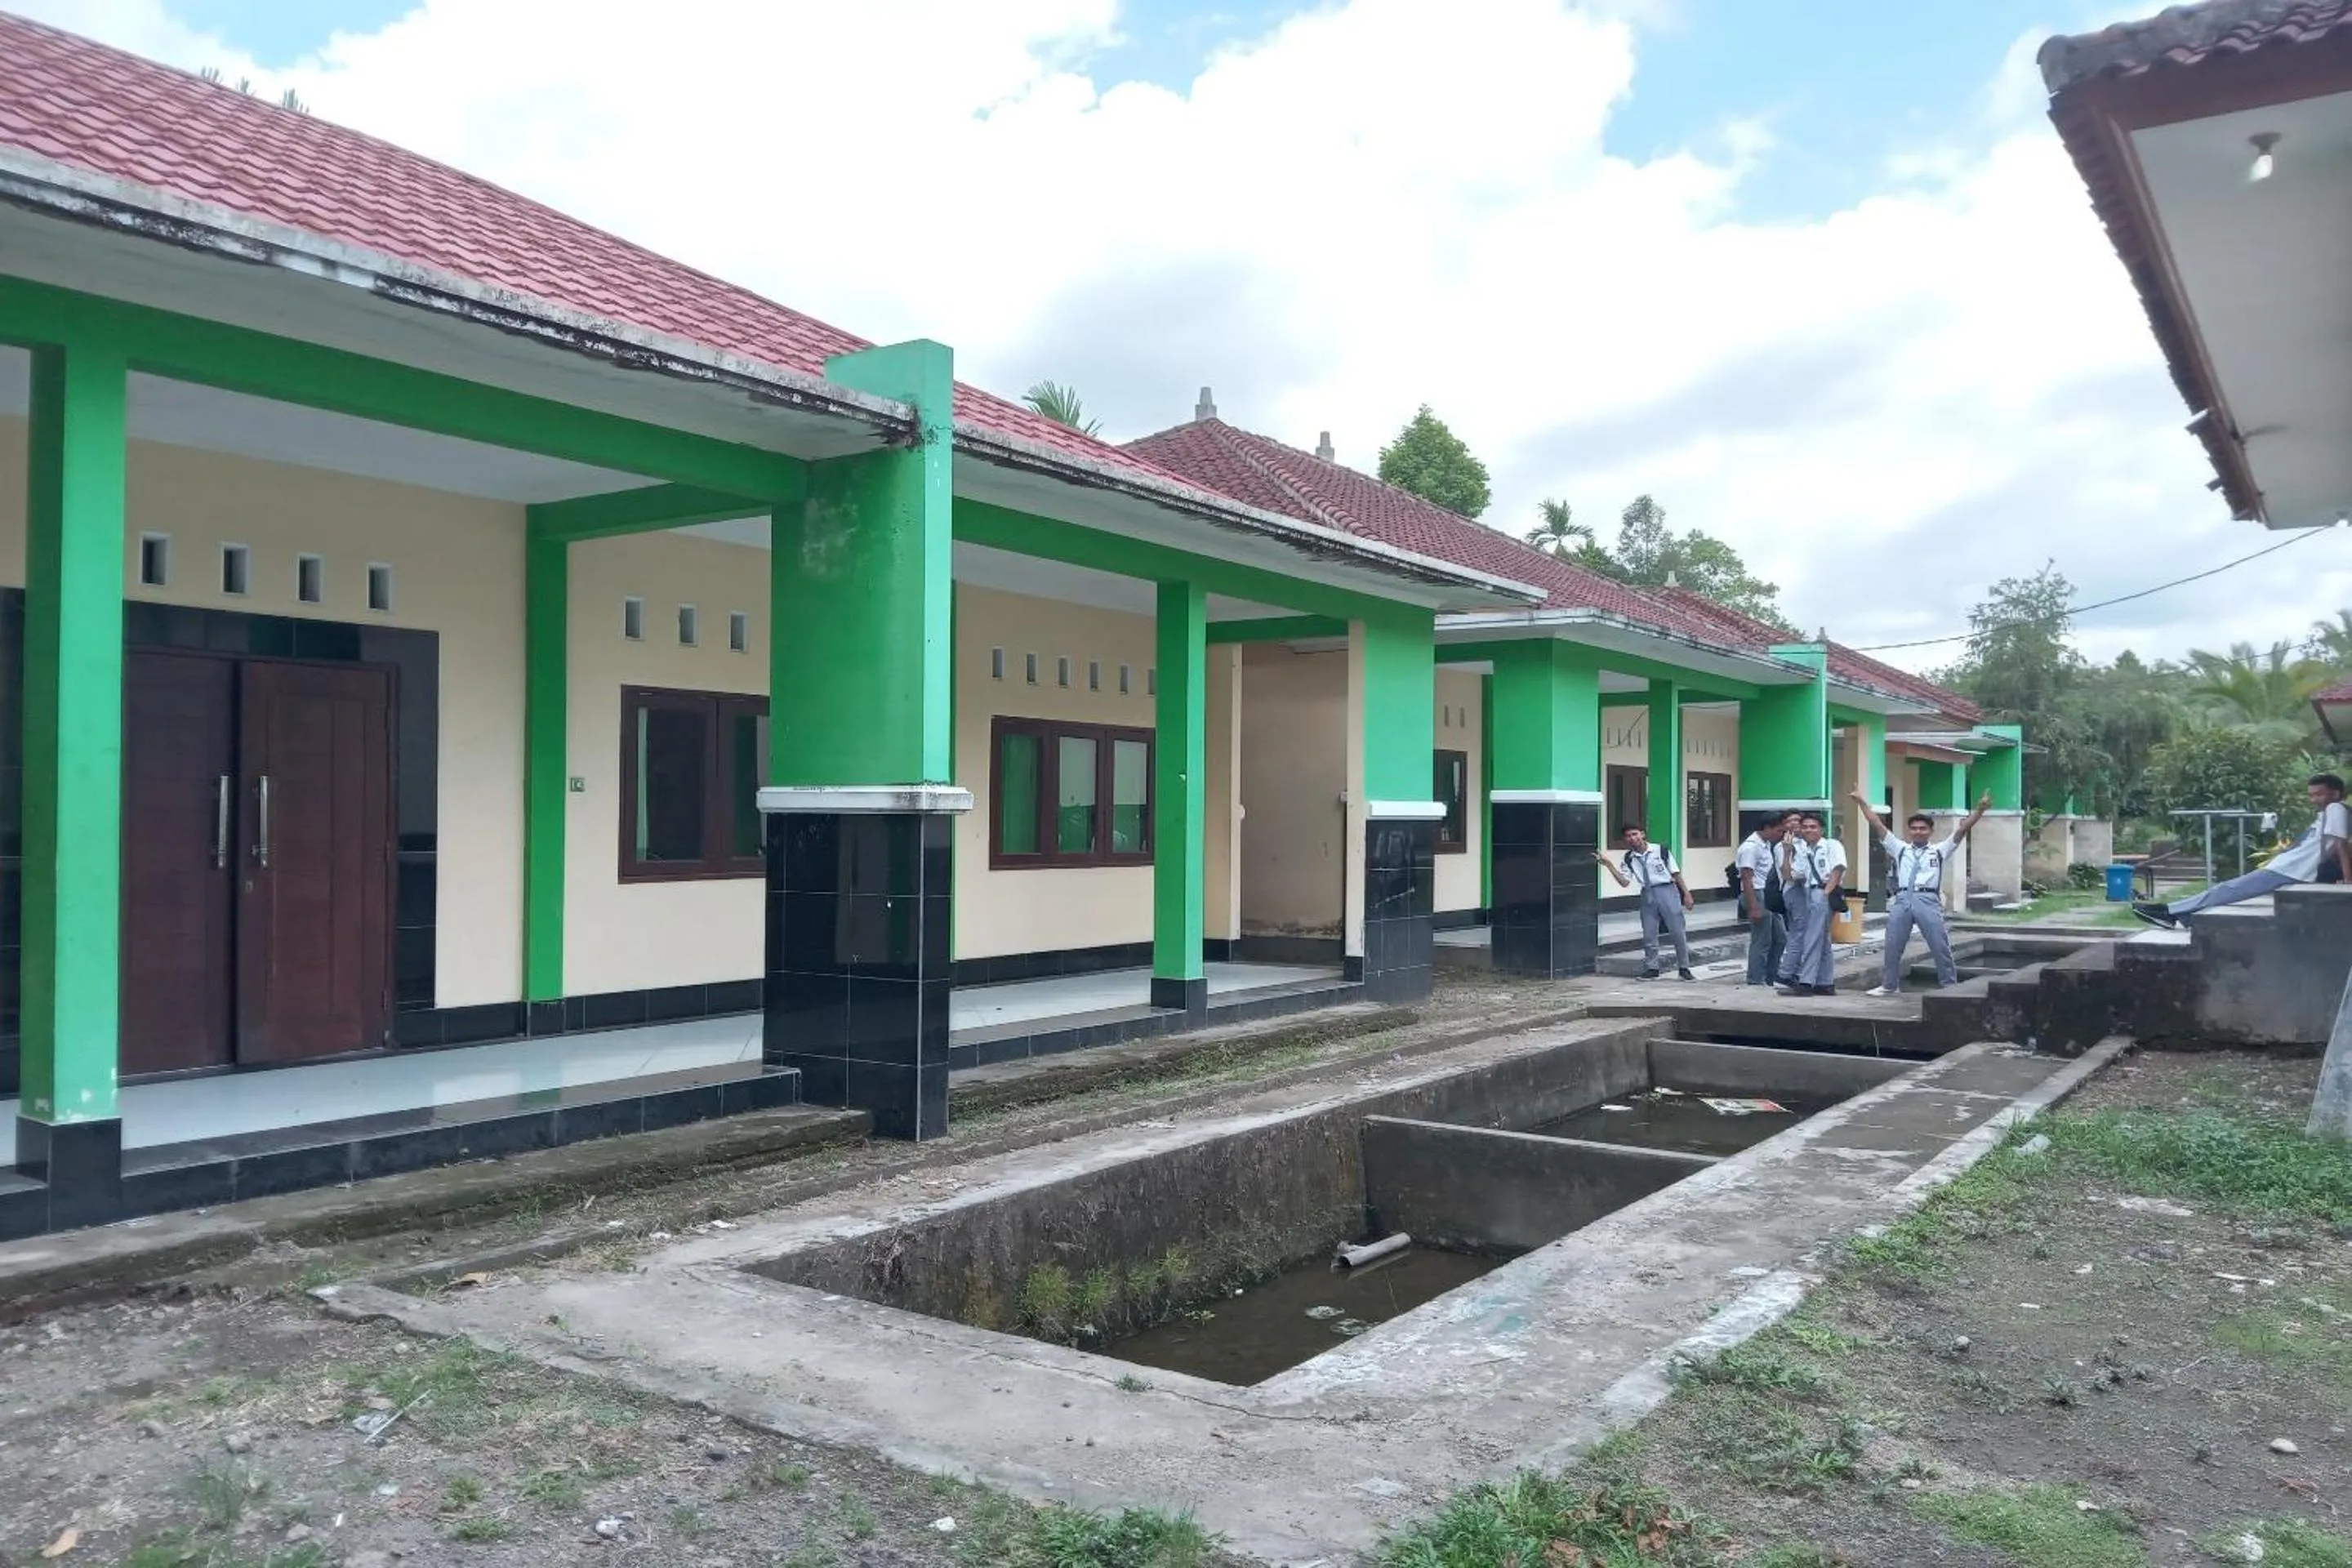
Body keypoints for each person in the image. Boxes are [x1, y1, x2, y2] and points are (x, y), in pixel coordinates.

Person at [2134, 774, 2352, 928]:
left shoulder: (2336, 809)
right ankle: (2183, 916)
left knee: (2227, 889)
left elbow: (2341, 845)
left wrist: (2347, 879)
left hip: (2292, 869)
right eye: (2311, 795)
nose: (2313, 799)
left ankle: (2168, 911)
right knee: (2230, 890)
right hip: (2289, 867)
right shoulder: (2329, 812)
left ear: (2335, 793)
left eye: (2318, 795)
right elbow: (2331, 846)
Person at [1851, 789, 1992, 996]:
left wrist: (1979, 810)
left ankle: (1949, 986)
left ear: (1930, 831)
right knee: (1892, 944)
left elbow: (1962, 831)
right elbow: (1876, 824)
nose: (1918, 832)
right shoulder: (1900, 849)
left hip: (1927, 899)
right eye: (1914, 829)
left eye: (1923, 828)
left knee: (1939, 944)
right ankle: (1889, 985)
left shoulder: (1939, 850)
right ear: (1909, 831)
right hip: (1902, 898)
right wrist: (1862, 802)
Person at [1595, 824, 1695, 980]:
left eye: (1635, 834)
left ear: (1642, 834)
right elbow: (1624, 882)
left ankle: (1684, 967)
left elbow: (1676, 873)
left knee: (1677, 931)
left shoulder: (1660, 850)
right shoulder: (1629, 858)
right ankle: (1652, 968)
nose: (1632, 838)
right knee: (1649, 933)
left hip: (1667, 890)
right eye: (1628, 836)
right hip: (1647, 894)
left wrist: (1687, 894)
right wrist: (1609, 865)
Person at [1776, 810, 1846, 996]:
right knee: (1822, 939)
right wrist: (1786, 853)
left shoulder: (1832, 845)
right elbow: (1788, 875)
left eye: (1813, 827)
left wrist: (1825, 893)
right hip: (1809, 892)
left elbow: (1838, 869)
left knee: (1812, 938)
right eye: (1805, 827)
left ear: (1822, 830)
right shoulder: (1804, 850)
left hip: (1823, 892)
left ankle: (1806, 981)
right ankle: (1825, 982)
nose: (1808, 830)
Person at [1735, 812, 1795, 986]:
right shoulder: (1751, 847)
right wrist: (1753, 906)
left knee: (1780, 938)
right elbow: (1746, 877)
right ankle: (1755, 979)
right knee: (1762, 940)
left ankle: (1771, 975)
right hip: (1756, 893)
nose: (1780, 835)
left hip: (1768, 895)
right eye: (1778, 831)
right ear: (1767, 828)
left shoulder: (1765, 844)